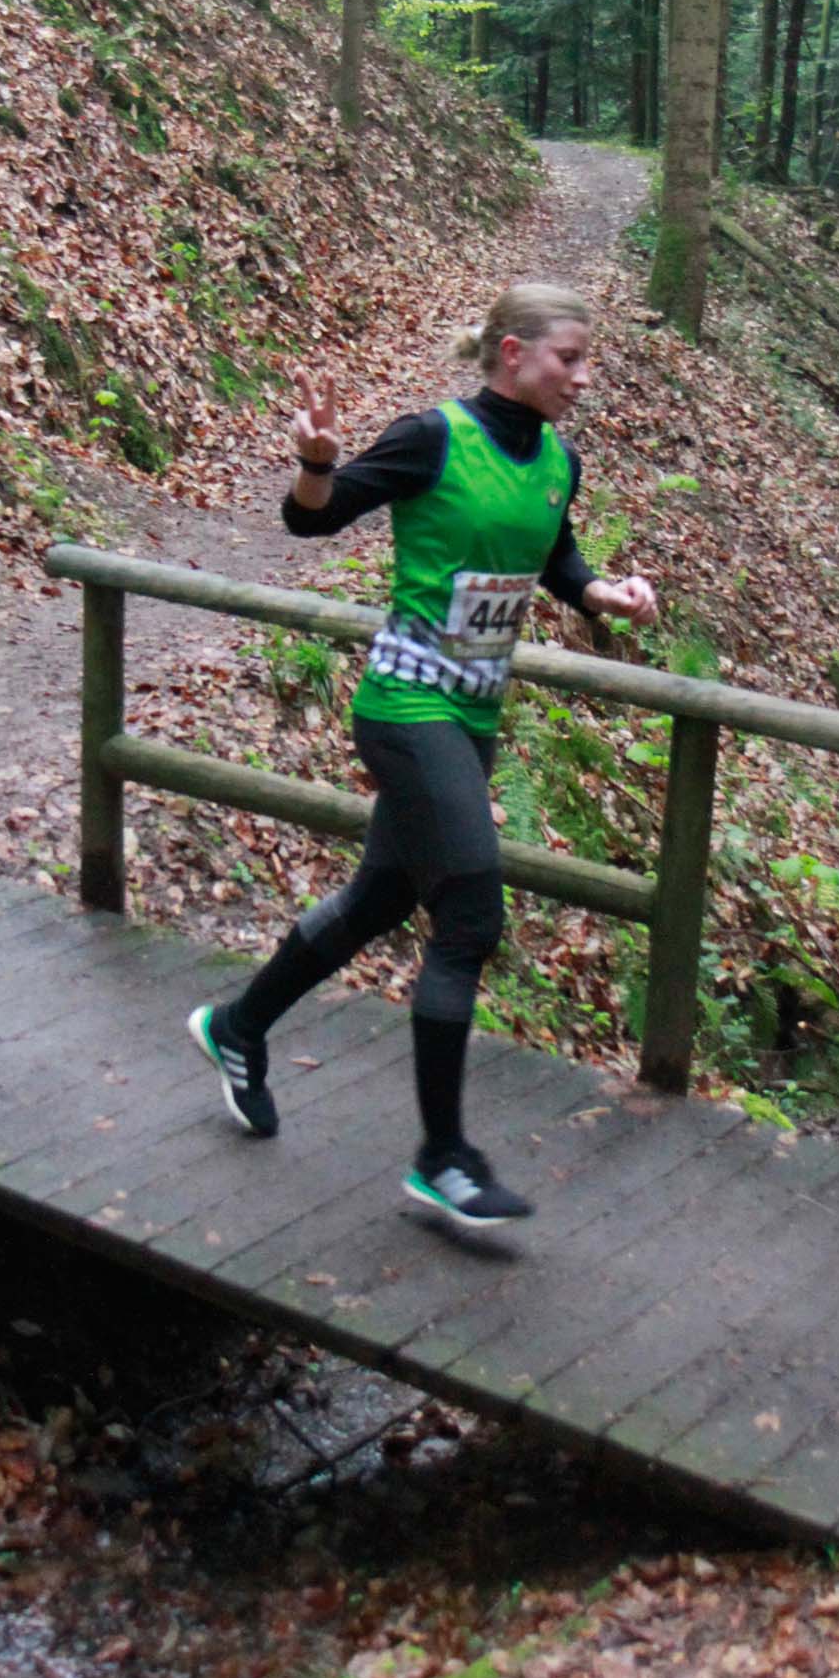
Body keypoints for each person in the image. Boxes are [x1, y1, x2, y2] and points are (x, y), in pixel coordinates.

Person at [189, 282, 658, 1232]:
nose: (583, 377)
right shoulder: (433, 437)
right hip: (406, 707)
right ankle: (443, 1158)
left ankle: (237, 1026)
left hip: (473, 716)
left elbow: (555, 558)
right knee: (469, 914)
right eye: (568, 358)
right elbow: (313, 519)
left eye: (587, 360)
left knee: (380, 899)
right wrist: (314, 466)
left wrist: (601, 593)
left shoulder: (557, 460)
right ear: (513, 353)